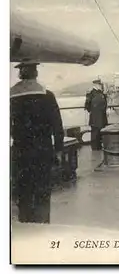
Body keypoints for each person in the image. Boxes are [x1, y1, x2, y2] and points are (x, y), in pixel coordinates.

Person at [11, 61, 64, 223]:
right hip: (43, 150)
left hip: (21, 151)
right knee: (42, 188)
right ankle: (42, 223)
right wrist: (59, 150)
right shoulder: (47, 95)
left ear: (20, 74)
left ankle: (26, 223)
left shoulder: (9, 96)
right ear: (36, 74)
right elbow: (57, 127)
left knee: (23, 189)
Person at [84, 79, 108, 151]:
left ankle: (100, 147)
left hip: (102, 116)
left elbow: (105, 104)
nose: (101, 86)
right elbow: (87, 105)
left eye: (100, 85)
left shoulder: (101, 93)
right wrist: (93, 112)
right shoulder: (91, 94)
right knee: (95, 133)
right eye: (99, 85)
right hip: (95, 117)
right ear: (95, 85)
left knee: (101, 132)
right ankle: (95, 149)